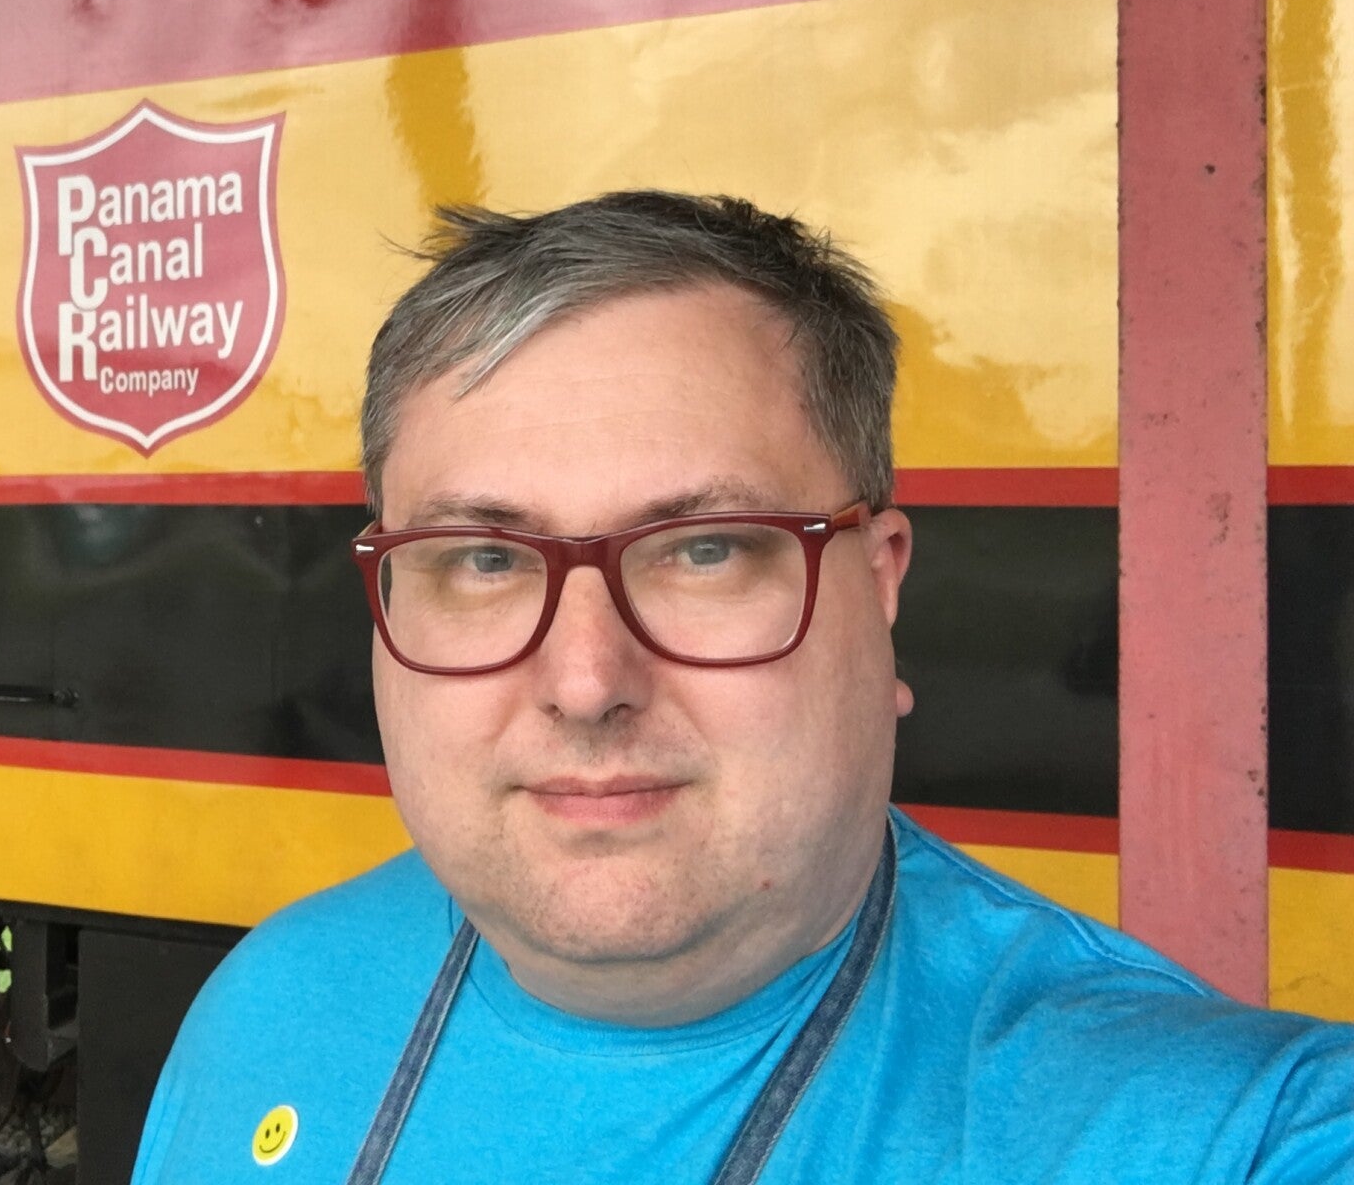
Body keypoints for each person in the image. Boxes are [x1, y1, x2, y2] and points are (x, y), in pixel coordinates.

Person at [131, 192, 1354, 1183]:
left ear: (879, 587)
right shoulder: (266, 1002)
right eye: (486, 561)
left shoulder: (1227, 1135)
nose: (586, 682)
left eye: (706, 550)